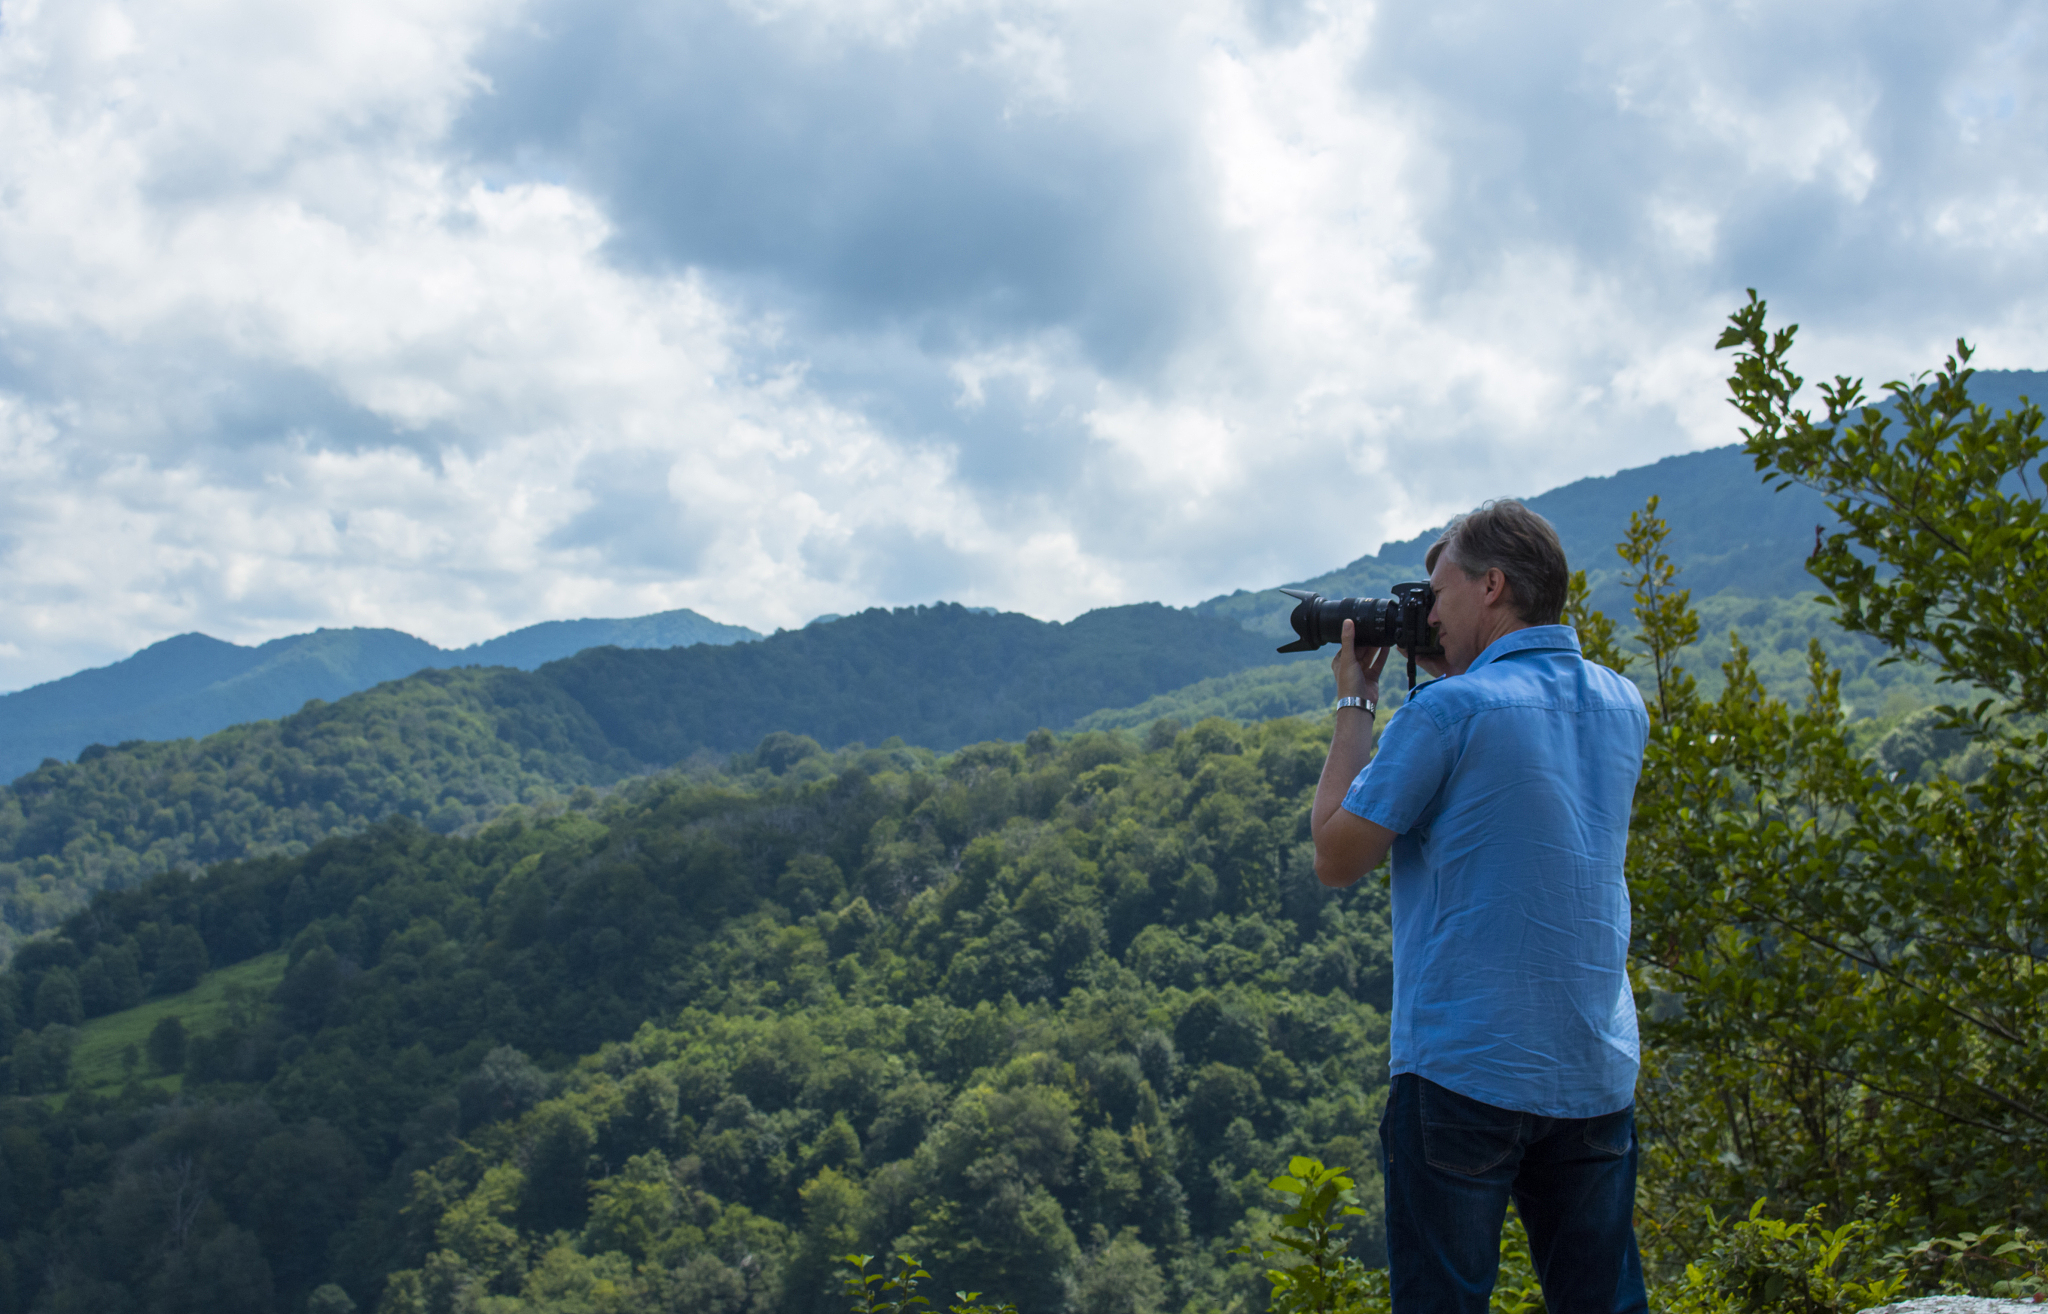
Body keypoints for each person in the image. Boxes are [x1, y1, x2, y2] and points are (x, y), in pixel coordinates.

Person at [1309, 499, 1651, 1314]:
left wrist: (1357, 704)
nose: (1428, 612)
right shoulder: (1623, 703)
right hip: (1592, 1065)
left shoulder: (1448, 712)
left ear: (1491, 585)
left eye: (1439, 591)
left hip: (1465, 1071)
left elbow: (1336, 855)